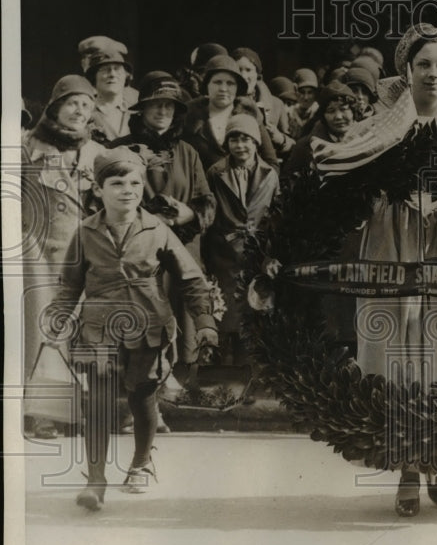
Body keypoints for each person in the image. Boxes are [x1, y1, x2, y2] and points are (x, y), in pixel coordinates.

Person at [356, 24, 437, 518]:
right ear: (406, 71)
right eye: (423, 64)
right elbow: (354, 192)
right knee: (399, 348)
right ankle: (407, 468)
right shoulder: (380, 130)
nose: (432, 73)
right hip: (392, 242)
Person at [53, 146, 218, 511]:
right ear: (99, 190)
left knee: (142, 397)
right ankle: (95, 480)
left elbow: (191, 279)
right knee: (96, 402)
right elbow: (69, 284)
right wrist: (58, 318)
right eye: (116, 183)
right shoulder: (84, 232)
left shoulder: (157, 229)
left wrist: (205, 321)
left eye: (134, 183)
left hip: (149, 328)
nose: (127, 190)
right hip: (97, 329)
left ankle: (141, 464)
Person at [111, 73, 216, 371]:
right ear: (141, 109)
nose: (162, 112)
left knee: (184, 318)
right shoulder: (121, 149)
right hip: (139, 249)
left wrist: (190, 213)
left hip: (182, 247)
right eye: (156, 105)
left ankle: (182, 386)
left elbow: (207, 200)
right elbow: (109, 199)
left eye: (169, 107)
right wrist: (148, 219)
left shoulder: (188, 151)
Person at [21, 75, 104, 439]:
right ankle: (42, 414)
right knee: (43, 330)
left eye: (86, 106)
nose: (79, 111)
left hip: (80, 251)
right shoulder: (27, 147)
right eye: (72, 102)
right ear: (55, 106)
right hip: (38, 250)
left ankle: (72, 410)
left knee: (75, 332)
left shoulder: (95, 153)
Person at [203, 115, 281, 368]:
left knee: (253, 301)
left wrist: (270, 247)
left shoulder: (270, 174)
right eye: (234, 139)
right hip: (224, 249)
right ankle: (224, 355)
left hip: (257, 249)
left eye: (245, 139)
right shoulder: (216, 172)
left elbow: (276, 211)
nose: (240, 145)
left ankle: (249, 356)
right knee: (227, 301)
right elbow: (210, 210)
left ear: (256, 142)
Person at [183, 54, 279, 171]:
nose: (223, 89)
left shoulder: (250, 114)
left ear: (237, 87)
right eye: (217, 82)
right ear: (207, 85)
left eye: (230, 83)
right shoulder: (189, 116)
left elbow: (272, 163)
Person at [283, 82, 367, 178]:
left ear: (353, 111)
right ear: (323, 116)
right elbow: (288, 181)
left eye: (343, 109)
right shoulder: (306, 147)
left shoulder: (367, 139)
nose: (338, 117)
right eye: (331, 111)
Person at [232, 47, 295, 158]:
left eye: (248, 70)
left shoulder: (276, 105)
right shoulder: (225, 103)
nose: (243, 76)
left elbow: (293, 148)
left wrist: (279, 138)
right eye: (238, 70)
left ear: (257, 74)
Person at [86, 49, 137, 145]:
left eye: (117, 69)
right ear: (94, 77)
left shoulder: (137, 111)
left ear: (126, 76)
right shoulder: (85, 110)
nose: (112, 74)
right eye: (105, 69)